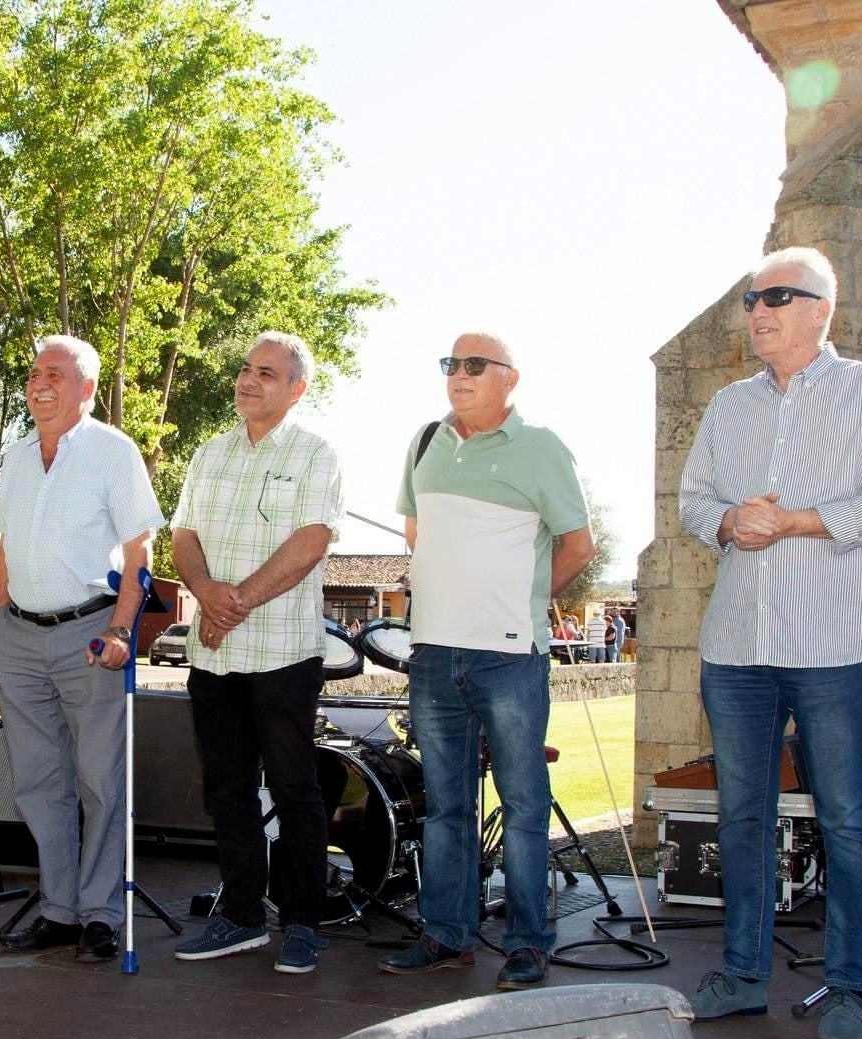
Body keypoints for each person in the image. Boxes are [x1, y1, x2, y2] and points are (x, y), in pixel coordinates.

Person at [677, 246, 862, 1039]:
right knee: (741, 815)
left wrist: (794, 521)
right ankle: (743, 974)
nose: (758, 311)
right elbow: (692, 503)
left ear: (822, 309)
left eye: (777, 297)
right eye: (751, 299)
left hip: (834, 644)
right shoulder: (727, 406)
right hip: (737, 643)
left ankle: (848, 985)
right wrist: (728, 521)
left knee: (848, 818)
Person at [379, 332, 594, 991]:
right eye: (451, 364)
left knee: (525, 805)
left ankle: (528, 945)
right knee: (446, 808)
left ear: (510, 379)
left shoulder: (542, 449)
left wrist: (523, 604)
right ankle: (447, 934)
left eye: (476, 365)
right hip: (434, 656)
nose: (459, 375)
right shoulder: (424, 445)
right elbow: (418, 538)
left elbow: (580, 546)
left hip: (509, 658)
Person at [168, 332, 343, 974]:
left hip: (283, 655)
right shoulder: (209, 454)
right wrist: (205, 592)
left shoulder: (315, 454)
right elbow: (182, 534)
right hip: (211, 657)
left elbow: (312, 540)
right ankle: (241, 916)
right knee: (227, 791)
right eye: (245, 369)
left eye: (266, 373)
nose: (248, 380)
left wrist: (231, 601)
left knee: (296, 789)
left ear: (296, 389)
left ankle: (301, 923)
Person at [0, 335, 164, 962]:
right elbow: (5, 546)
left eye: (55, 375)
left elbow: (141, 553)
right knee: (39, 784)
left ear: (86, 388)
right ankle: (59, 909)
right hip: (19, 635)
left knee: (98, 781)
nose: (40, 384)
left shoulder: (113, 454)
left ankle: (99, 913)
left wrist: (122, 631)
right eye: (35, 373)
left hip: (89, 634)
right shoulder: (14, 457)